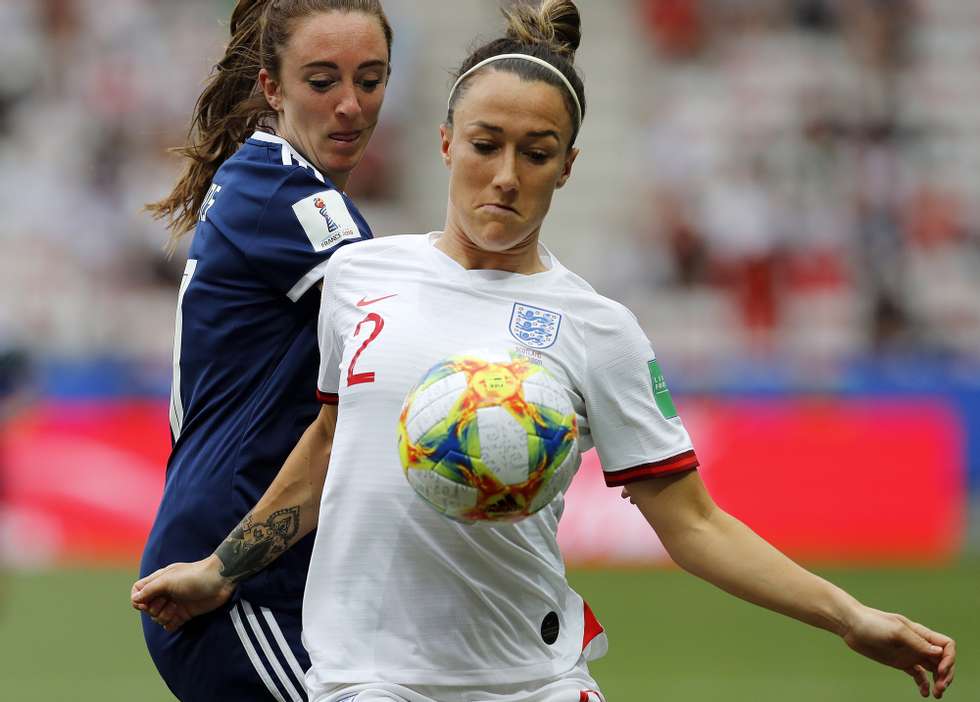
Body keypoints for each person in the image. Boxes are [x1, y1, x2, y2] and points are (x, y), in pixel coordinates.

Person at [133, 1, 956, 700]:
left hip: (536, 674)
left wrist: (851, 616)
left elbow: (695, 523)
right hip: (369, 678)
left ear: (568, 167)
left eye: (534, 153)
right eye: (486, 144)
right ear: (446, 141)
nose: (505, 176)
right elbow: (325, 444)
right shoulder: (359, 278)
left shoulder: (597, 328)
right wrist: (220, 568)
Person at [137, 1, 393, 700]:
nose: (350, 105)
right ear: (272, 88)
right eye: (322, 81)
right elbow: (406, 324)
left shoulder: (268, 182)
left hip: (251, 568)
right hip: (229, 584)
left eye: (370, 80)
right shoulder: (289, 199)